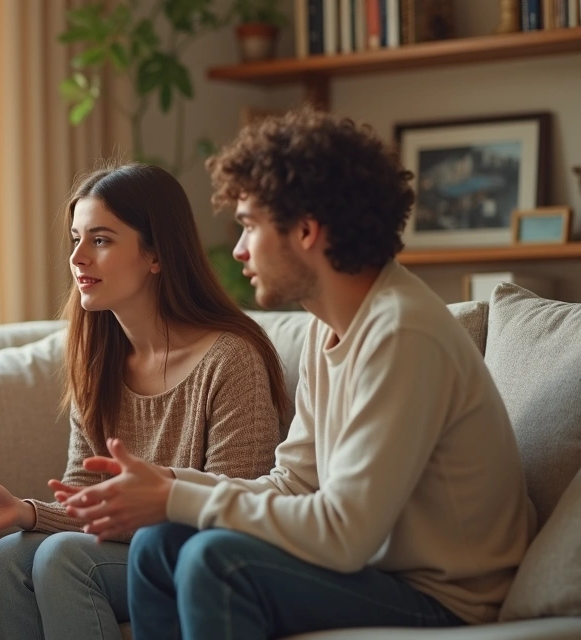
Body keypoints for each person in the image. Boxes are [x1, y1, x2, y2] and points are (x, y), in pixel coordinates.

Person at [62, 108, 537, 639]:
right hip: (374, 573)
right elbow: (294, 483)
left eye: (249, 226)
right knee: (157, 547)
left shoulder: (402, 334)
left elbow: (344, 534)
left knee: (218, 562)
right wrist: (168, 482)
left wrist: (175, 498)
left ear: (306, 230)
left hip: (445, 597)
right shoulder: (326, 325)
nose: (238, 249)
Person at [0, 163, 287, 640]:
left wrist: (43, 514)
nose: (77, 257)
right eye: (75, 239)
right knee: (5, 560)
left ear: (156, 254)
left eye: (100, 240)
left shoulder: (230, 360)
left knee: (63, 558)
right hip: (129, 548)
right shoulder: (99, 362)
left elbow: (228, 512)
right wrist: (24, 511)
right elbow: (84, 496)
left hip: (192, 555)